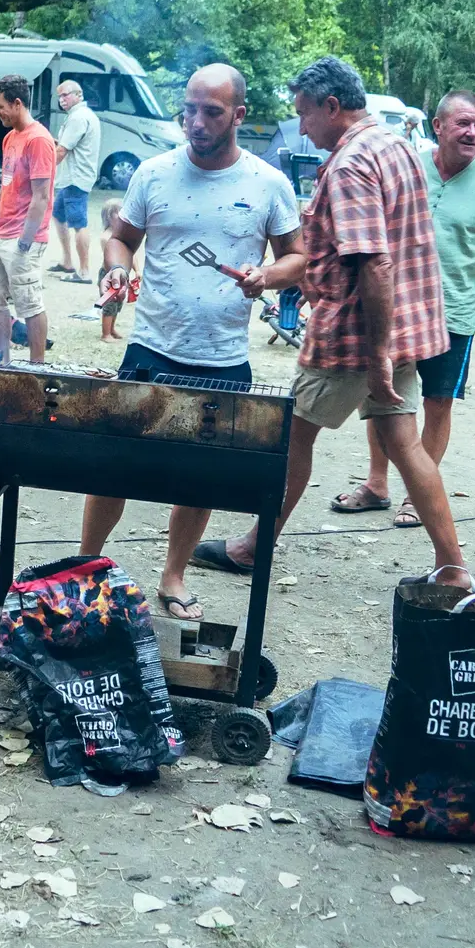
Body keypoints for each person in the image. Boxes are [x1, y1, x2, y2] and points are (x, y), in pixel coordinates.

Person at [191, 56, 469, 588]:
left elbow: (375, 262)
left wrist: (377, 355)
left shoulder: (349, 165)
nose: (301, 127)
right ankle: (453, 570)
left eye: (305, 114)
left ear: (332, 106)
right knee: (404, 442)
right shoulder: (397, 146)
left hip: (356, 336)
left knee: (292, 437)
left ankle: (254, 547)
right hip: (401, 329)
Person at [79, 65, 305, 620]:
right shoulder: (154, 173)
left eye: (212, 112)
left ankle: (174, 573)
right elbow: (122, 239)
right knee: (115, 467)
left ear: (239, 115)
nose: (196, 123)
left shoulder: (267, 182)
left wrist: (266, 278)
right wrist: (114, 271)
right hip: (151, 348)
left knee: (199, 479)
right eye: (190, 109)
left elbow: (297, 257)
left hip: (223, 357)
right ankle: (85, 567)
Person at [331, 90, 475, 527]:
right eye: (463, 124)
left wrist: (451, 271)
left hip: (454, 313)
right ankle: (377, 485)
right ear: (438, 126)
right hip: (396, 307)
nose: (473, 133)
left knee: (438, 402)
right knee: (385, 396)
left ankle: (418, 494)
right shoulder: (409, 167)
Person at [0, 73, 56, 364]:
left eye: (0, 107)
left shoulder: (38, 140)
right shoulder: (11, 137)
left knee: (29, 304)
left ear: (17, 103)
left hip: (23, 238)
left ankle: (37, 367)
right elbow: (5, 187)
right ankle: (3, 361)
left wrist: (25, 241)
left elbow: (41, 196)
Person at [50, 79, 101, 280]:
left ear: (78, 95)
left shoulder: (78, 117)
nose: (62, 100)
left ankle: (84, 271)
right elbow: (65, 144)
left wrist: (42, 172)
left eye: (65, 95)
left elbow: (62, 150)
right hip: (72, 177)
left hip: (75, 178)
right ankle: (67, 262)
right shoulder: (81, 115)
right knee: (58, 215)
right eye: (60, 96)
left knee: (79, 223)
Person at [93, 199, 137, 342]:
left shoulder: (124, 236)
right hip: (109, 275)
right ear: (108, 216)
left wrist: (137, 270)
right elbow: (111, 258)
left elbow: (130, 253)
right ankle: (105, 334)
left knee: (118, 303)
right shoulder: (106, 237)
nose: (120, 217)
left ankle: (112, 329)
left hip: (123, 274)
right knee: (109, 304)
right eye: (116, 213)